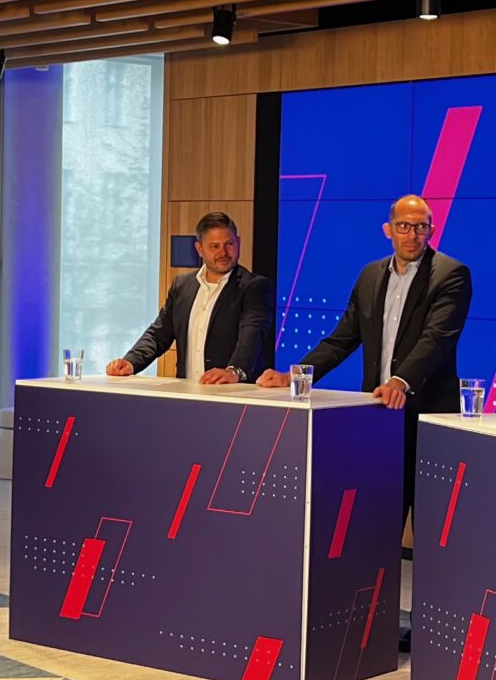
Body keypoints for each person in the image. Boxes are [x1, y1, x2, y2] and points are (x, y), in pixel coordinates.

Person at [258, 193, 472, 526]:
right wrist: (294, 375)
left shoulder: (450, 274)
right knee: (377, 515)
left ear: (432, 230)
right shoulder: (370, 275)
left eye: (421, 227)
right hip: (378, 412)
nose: (413, 235)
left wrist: (400, 381)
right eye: (404, 226)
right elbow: (342, 338)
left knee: (430, 521)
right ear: (389, 230)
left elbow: (436, 338)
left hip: (427, 413)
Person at [108, 212, 274, 383]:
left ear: (238, 243)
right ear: (199, 249)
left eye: (229, 244)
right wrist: (130, 362)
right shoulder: (182, 285)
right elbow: (159, 334)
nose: (223, 252)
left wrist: (234, 371)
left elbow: (252, 337)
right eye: (214, 246)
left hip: (233, 392)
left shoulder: (255, 287)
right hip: (188, 393)